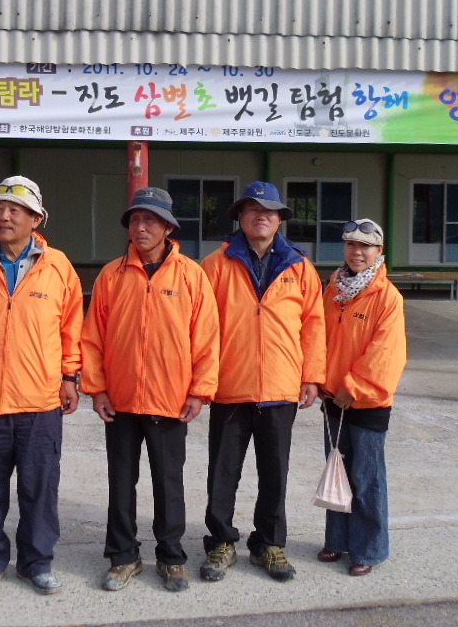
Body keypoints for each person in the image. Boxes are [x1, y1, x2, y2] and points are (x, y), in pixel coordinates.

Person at [0, 176, 84, 598]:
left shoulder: (58, 266)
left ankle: (36, 563)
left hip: (39, 402)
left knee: (40, 489)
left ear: (36, 218)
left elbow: (71, 328)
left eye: (15, 210)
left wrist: (69, 376)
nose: (4, 216)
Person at [81, 187, 219, 593]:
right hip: (121, 400)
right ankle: (123, 557)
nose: (141, 227)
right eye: (136, 220)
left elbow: (207, 339)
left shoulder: (192, 276)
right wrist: (97, 389)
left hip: (170, 400)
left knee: (168, 482)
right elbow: (93, 338)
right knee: (121, 483)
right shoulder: (112, 275)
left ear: (168, 228)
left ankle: (171, 557)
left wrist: (199, 390)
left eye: (151, 220)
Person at [198, 181, 326, 583]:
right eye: (252, 209)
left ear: (280, 219)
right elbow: (200, 328)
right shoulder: (215, 265)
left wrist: (312, 377)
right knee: (223, 471)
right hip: (230, 386)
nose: (261, 216)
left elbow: (314, 326)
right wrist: (202, 380)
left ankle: (268, 543)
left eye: (269, 211)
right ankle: (221, 541)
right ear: (239, 216)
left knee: (275, 471)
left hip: (280, 389)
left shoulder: (299, 267)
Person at [316, 219, 407, 577]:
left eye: (365, 247)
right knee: (337, 470)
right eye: (351, 245)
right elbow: (318, 337)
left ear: (379, 252)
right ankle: (337, 540)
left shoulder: (387, 298)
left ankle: (368, 549)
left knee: (367, 477)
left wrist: (352, 388)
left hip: (365, 402)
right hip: (332, 399)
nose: (357, 252)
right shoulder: (333, 290)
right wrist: (321, 381)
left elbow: (386, 352)